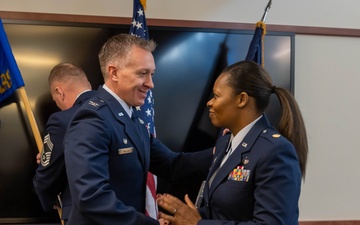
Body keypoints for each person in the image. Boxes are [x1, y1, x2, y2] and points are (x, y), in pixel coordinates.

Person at [63, 33, 213, 225]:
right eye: (142, 74)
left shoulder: (132, 117)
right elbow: (92, 198)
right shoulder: (93, 118)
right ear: (114, 72)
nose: (151, 83)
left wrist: (222, 152)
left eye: (152, 74)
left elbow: (172, 165)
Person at [157, 60, 308, 225]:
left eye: (216, 95)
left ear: (241, 99)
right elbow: (222, 211)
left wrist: (197, 223)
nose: (209, 102)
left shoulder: (275, 151)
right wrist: (182, 218)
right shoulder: (225, 144)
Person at [33, 62, 96, 224]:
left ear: (59, 92)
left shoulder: (62, 120)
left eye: (56, 101)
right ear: (88, 84)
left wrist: (49, 200)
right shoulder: (120, 110)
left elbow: (45, 178)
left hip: (83, 215)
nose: (59, 106)